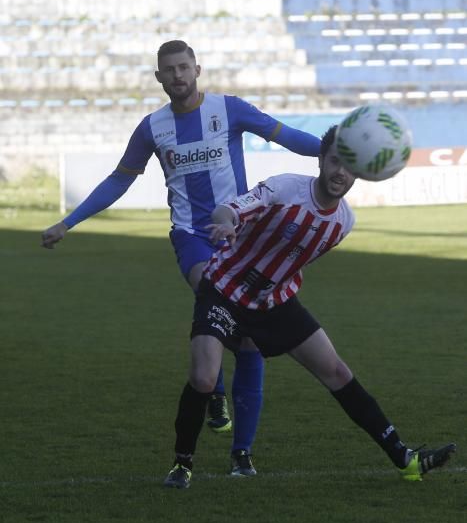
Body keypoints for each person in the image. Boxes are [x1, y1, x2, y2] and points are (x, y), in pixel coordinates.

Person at [41, 39, 322, 474]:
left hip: (240, 234)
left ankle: (241, 453)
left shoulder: (230, 109)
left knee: (248, 340)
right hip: (192, 237)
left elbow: (287, 137)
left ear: (197, 69)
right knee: (215, 294)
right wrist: (68, 222)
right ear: (158, 77)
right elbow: (119, 180)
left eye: (183, 67)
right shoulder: (153, 127)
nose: (177, 75)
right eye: (168, 70)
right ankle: (214, 390)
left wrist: (333, 152)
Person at [163, 124, 456, 488]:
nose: (340, 172)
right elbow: (231, 209)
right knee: (204, 377)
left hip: (274, 303)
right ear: (321, 158)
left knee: (337, 371)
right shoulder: (287, 187)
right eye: (334, 161)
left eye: (350, 165)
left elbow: (291, 262)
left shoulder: (344, 222)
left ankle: (405, 459)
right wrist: (227, 224)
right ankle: (182, 464)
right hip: (224, 288)